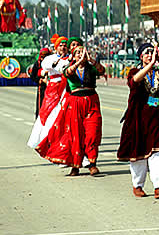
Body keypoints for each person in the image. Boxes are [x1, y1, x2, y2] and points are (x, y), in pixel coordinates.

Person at [117, 43, 159, 198]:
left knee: (158, 152)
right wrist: (150, 66)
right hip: (138, 118)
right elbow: (134, 81)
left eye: (152, 52)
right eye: (147, 53)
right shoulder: (134, 71)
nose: (150, 55)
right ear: (141, 57)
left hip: (158, 118)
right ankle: (137, 184)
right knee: (139, 153)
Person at [36, 44, 104, 176]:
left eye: (83, 52)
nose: (81, 54)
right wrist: (77, 61)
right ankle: (75, 165)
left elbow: (101, 71)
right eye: (78, 52)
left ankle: (92, 163)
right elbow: (68, 72)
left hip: (92, 102)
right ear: (73, 55)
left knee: (92, 133)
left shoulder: (91, 68)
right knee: (76, 134)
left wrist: (91, 60)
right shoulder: (68, 67)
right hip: (75, 102)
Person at [27, 36, 69, 149]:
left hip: (67, 89)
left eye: (65, 45)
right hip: (53, 90)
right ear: (56, 47)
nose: (63, 47)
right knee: (49, 114)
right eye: (60, 45)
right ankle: (46, 140)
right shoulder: (50, 59)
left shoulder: (71, 59)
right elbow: (45, 69)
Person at [28, 46, 51, 118]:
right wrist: (39, 80)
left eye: (45, 56)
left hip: (52, 88)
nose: (43, 58)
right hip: (42, 88)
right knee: (40, 105)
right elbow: (33, 76)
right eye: (42, 56)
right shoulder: (37, 64)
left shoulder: (52, 63)